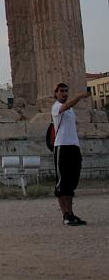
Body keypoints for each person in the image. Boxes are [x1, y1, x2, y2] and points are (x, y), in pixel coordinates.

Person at [51, 83, 91, 226]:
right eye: (61, 91)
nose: (64, 93)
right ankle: (65, 215)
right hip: (62, 146)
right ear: (55, 93)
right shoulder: (56, 107)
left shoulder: (70, 111)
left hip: (73, 146)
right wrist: (80, 96)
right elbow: (65, 106)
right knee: (62, 182)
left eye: (66, 91)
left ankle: (71, 213)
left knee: (72, 182)